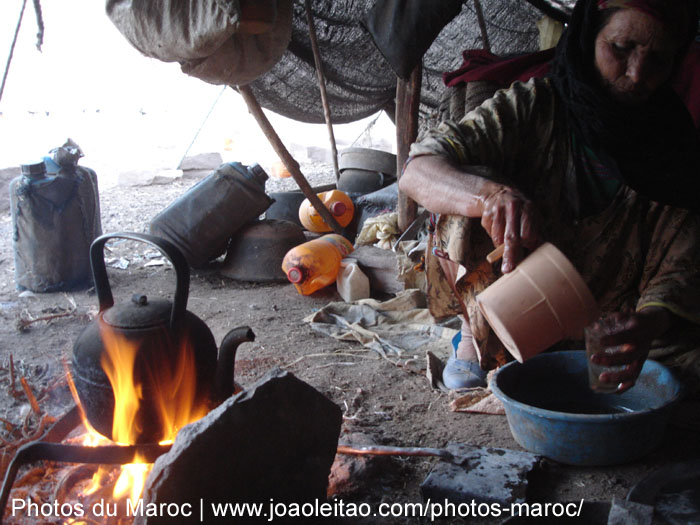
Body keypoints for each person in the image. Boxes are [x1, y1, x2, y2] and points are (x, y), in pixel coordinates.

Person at [399, 0, 700, 393]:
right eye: (622, 48)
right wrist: (491, 196)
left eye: (657, 59)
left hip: (608, 317)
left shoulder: (672, 144)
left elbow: (681, 257)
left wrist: (649, 323)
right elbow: (416, 170)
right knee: (463, 192)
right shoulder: (533, 107)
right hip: (513, 294)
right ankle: (476, 339)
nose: (637, 74)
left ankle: (593, 354)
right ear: (590, 35)